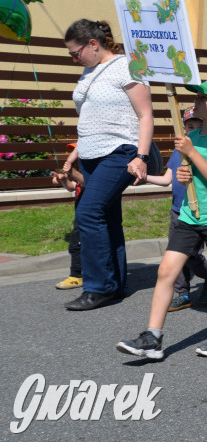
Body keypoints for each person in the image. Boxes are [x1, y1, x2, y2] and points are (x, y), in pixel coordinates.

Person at [117, 76, 207, 360]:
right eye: (195, 97)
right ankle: (152, 337)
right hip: (189, 215)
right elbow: (189, 175)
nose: (195, 102)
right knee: (166, 272)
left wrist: (191, 153)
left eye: (201, 98)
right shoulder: (192, 137)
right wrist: (185, 175)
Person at [64, 19, 155, 311]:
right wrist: (76, 152)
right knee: (106, 216)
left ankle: (98, 287)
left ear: (93, 44)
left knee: (89, 213)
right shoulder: (89, 70)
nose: (73, 58)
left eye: (75, 52)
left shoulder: (128, 66)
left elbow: (145, 115)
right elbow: (90, 117)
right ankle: (115, 284)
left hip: (121, 150)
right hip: (91, 153)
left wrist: (141, 157)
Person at [144, 106, 207, 311]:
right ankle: (183, 293)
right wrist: (143, 178)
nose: (192, 130)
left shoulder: (203, 151)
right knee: (174, 253)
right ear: (183, 128)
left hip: (196, 210)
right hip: (177, 210)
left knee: (191, 254)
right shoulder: (177, 151)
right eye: (189, 126)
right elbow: (167, 179)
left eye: (197, 126)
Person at [52, 143, 84, 290]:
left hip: (89, 212)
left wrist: (73, 172)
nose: (74, 155)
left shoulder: (91, 169)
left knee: (77, 244)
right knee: (75, 244)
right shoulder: (80, 169)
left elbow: (88, 183)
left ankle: (77, 275)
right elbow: (74, 186)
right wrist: (63, 180)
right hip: (80, 212)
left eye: (76, 152)